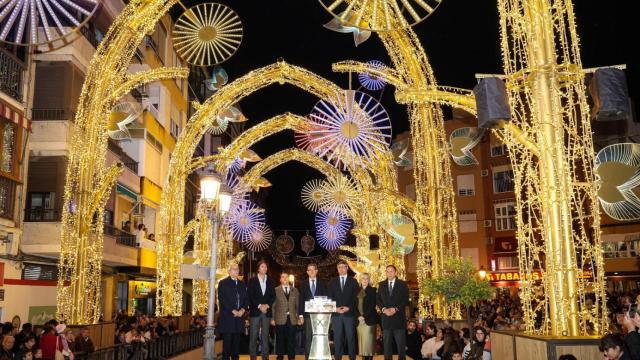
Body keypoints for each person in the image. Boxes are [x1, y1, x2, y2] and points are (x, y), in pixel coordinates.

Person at [377, 264, 409, 360]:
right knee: (386, 347)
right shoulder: (381, 284)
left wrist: (395, 309)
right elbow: (378, 299)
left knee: (400, 346)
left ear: (395, 272)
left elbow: (405, 300)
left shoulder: (402, 284)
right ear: (386, 273)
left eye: (391, 271)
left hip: (399, 319)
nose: (389, 273)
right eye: (387, 271)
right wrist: (383, 309)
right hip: (386, 319)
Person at [328, 260, 359, 360]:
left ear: (347, 268)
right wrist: (335, 308)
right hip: (336, 315)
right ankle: (338, 358)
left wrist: (348, 307)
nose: (341, 269)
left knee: (350, 338)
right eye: (339, 267)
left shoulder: (353, 281)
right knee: (337, 339)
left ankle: (352, 357)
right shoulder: (332, 281)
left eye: (343, 267)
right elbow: (329, 297)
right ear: (337, 269)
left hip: (349, 314)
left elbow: (356, 297)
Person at [297, 263, 328, 359]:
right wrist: (300, 315)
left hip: (320, 315)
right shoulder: (303, 284)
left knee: (319, 337)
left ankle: (319, 356)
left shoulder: (322, 283)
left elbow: (326, 298)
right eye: (309, 270)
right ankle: (308, 357)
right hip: (307, 315)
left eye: (313, 269)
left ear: (317, 271)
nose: (311, 271)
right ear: (307, 272)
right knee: (308, 338)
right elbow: (301, 300)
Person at [219, 263, 249, 360]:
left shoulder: (242, 283)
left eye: (237, 269)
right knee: (227, 347)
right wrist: (233, 311)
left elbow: (246, 299)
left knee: (236, 347)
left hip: (239, 319)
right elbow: (222, 300)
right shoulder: (223, 283)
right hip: (228, 318)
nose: (236, 271)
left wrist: (243, 310)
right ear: (229, 271)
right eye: (233, 269)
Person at [248, 260, 276, 360]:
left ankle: (265, 357)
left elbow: (273, 296)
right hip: (255, 312)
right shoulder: (252, 280)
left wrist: (267, 305)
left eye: (266, 267)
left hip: (267, 312)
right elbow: (250, 296)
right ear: (258, 268)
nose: (265, 268)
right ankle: (253, 357)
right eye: (263, 267)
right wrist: (260, 306)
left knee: (265, 337)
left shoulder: (271, 281)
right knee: (253, 336)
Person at [271, 272, 299, 360]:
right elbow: (273, 306)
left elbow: (298, 305)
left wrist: (299, 317)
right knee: (280, 339)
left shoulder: (295, 290)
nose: (285, 279)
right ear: (280, 279)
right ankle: (280, 356)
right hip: (279, 319)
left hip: (292, 319)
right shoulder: (275, 290)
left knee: (291, 339)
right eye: (283, 277)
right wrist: (272, 318)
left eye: (286, 277)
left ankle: (291, 357)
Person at [356, 273, 378, 360]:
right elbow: (353, 305)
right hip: (359, 321)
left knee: (369, 344)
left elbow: (372, 305)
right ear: (360, 280)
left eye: (366, 279)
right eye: (363, 278)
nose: (365, 280)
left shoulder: (373, 290)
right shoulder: (356, 290)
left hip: (369, 320)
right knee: (362, 344)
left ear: (369, 280)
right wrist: (358, 316)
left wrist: (363, 316)